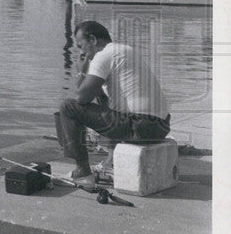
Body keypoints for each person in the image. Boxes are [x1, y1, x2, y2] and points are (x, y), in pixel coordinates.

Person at [57, 20, 170, 184]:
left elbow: (81, 98)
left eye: (81, 46)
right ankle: (111, 161)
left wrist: (82, 70)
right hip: (160, 127)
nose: (82, 52)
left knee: (68, 107)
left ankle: (82, 172)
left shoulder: (103, 55)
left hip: (139, 127)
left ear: (93, 40)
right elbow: (94, 95)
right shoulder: (125, 50)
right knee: (101, 95)